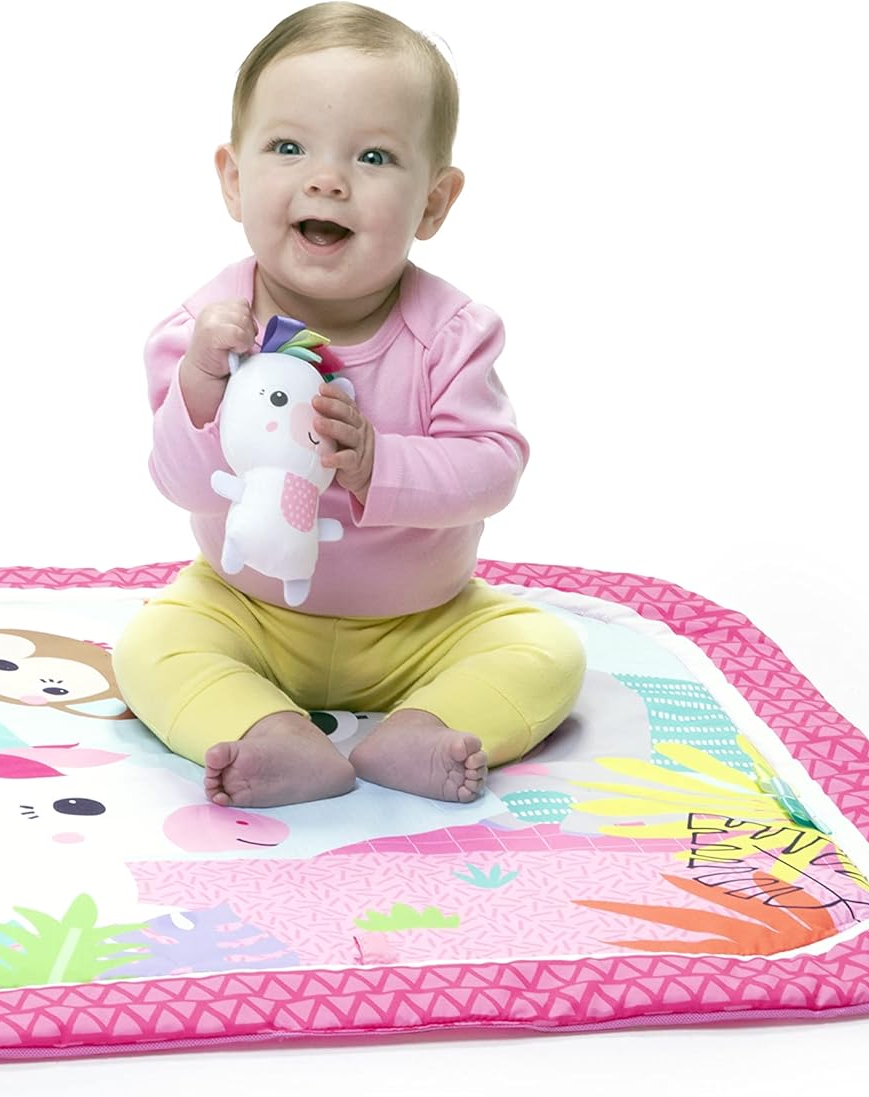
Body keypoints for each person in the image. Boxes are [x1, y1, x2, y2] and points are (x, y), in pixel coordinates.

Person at [113, 1, 585, 809]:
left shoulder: (451, 334)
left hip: (421, 624)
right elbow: (181, 482)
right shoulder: (203, 333)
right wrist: (200, 386)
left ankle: (424, 727)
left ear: (433, 202)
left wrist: (378, 462)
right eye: (288, 147)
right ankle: (268, 731)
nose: (326, 179)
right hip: (248, 608)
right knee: (152, 643)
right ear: (234, 179)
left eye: (373, 155)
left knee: (548, 651)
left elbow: (492, 470)